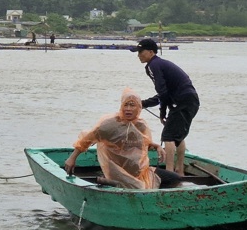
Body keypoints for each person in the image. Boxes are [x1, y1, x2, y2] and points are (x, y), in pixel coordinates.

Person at [64, 88, 180, 189]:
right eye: (126, 105)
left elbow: (141, 143)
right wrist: (72, 158)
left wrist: (157, 146)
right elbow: (86, 139)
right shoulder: (111, 124)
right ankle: (113, 183)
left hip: (139, 171)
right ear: (121, 106)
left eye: (132, 105)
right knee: (139, 188)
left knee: (174, 179)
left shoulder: (141, 125)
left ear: (139, 108)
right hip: (117, 171)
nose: (128, 109)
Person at [134, 38, 200, 175]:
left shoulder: (153, 65)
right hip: (190, 100)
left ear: (151, 52)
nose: (138, 55)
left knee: (168, 136)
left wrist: (162, 112)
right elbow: (164, 93)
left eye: (141, 52)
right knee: (178, 135)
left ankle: (170, 172)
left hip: (181, 100)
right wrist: (144, 103)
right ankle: (179, 170)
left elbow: (162, 92)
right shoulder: (160, 64)